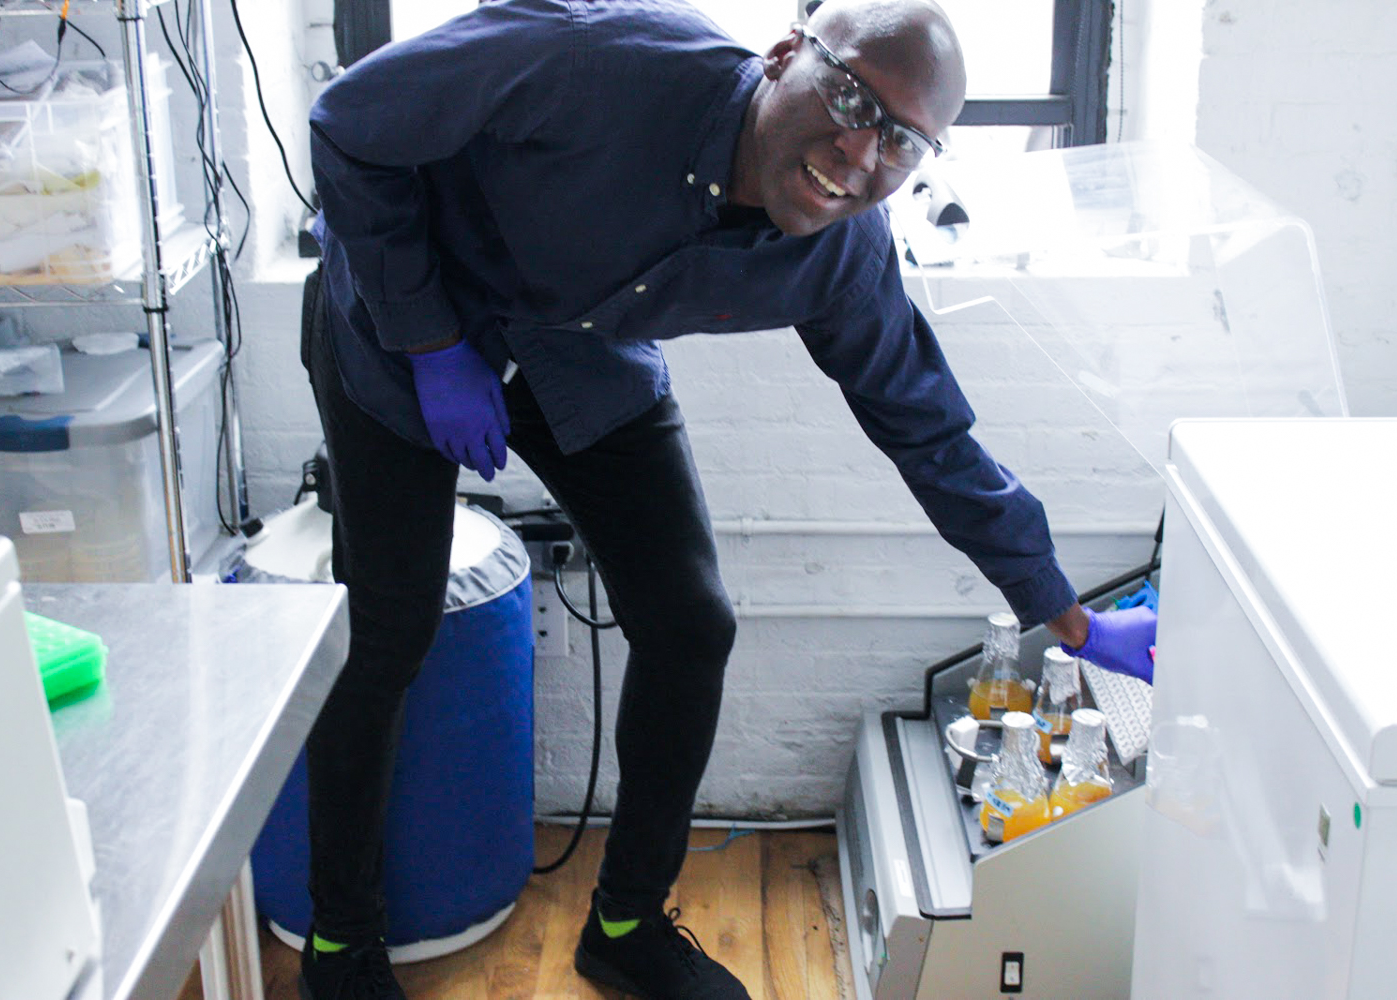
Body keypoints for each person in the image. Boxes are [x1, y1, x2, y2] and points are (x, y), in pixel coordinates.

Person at [298, 0, 1157, 997]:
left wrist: (1069, 615)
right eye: (849, 96)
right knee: (387, 632)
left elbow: (930, 430)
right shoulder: (597, 57)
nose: (859, 149)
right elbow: (348, 124)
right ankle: (340, 942)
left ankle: (624, 922)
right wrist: (431, 341)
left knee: (689, 622)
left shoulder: (842, 254)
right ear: (785, 54)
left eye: (904, 141)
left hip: (578, 341)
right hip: (415, 307)